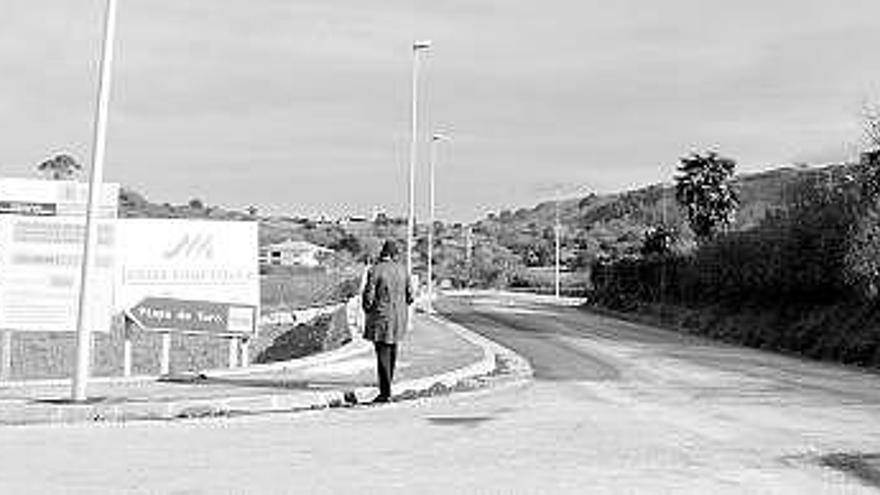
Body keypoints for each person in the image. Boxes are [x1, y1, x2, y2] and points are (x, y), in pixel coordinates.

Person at [361, 240, 414, 403]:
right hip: (399, 317)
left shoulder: (375, 270)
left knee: (382, 352)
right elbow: (410, 296)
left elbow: (368, 297)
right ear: (394, 254)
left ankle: (385, 392)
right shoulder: (403, 269)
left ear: (383, 253)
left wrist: (367, 309)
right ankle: (388, 385)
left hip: (381, 317)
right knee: (392, 350)